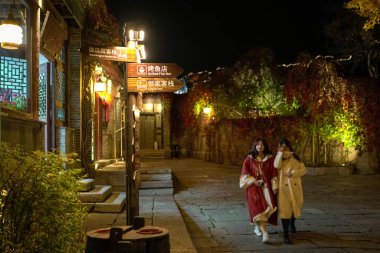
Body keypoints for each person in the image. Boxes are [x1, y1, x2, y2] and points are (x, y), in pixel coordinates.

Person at [240, 138, 278, 243]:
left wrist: (275, 186)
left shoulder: (270, 159)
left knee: (268, 207)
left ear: (265, 146)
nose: (260, 146)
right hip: (253, 188)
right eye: (257, 144)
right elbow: (244, 173)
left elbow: (274, 173)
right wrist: (253, 180)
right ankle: (265, 233)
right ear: (255, 146)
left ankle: (258, 227)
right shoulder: (249, 159)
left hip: (266, 188)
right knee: (258, 209)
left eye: (262, 145)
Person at [274, 138, 306, 244]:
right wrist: (279, 153)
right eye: (282, 146)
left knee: (295, 207)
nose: (284, 148)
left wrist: (293, 173)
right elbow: (276, 166)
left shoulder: (296, 158)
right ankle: (286, 235)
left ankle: (292, 223)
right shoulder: (279, 158)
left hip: (296, 188)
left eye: (285, 146)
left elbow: (304, 170)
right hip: (283, 189)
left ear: (289, 146)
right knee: (285, 211)